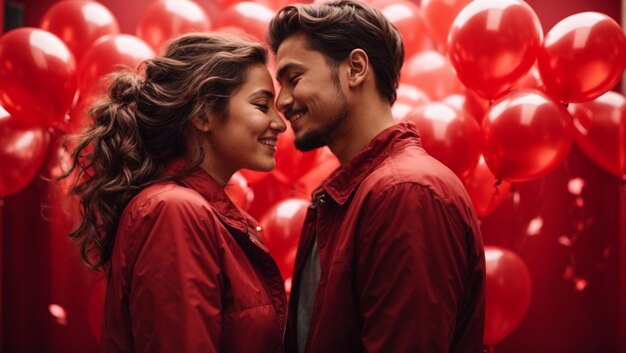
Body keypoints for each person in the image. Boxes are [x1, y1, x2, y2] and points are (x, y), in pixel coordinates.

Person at [267, 1, 486, 352]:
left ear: (355, 68)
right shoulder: (350, 195)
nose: (284, 101)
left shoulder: (406, 193)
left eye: (294, 78)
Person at [60, 33, 288, 353]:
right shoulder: (174, 211)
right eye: (262, 105)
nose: (280, 123)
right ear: (203, 114)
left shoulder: (200, 212)